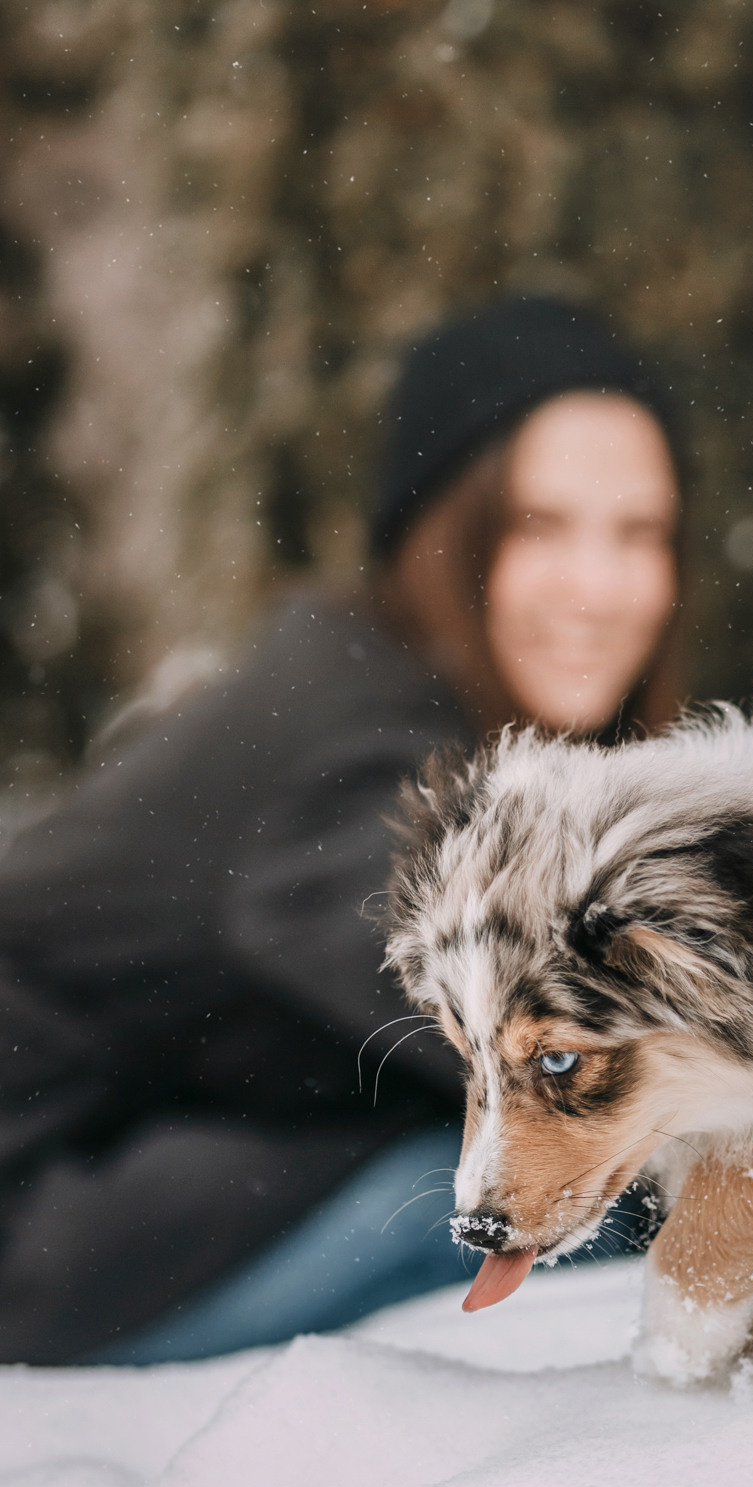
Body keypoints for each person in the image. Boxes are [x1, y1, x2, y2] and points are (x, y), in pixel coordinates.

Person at [0, 294, 685, 1364]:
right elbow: (550, 1024)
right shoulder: (356, 748)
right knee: (589, 1186)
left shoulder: (399, 701)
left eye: (638, 534)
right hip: (44, 1229)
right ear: (442, 535)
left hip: (134, 1184)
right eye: (539, 528)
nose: (599, 589)